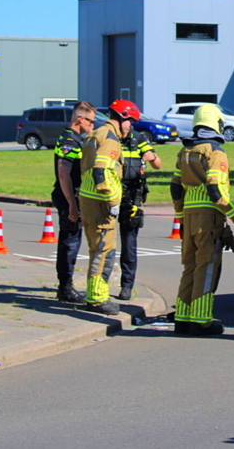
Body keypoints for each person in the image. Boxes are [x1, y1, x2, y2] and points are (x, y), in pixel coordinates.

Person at [170, 103, 234, 336]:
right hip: (208, 217)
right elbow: (215, 189)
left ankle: (182, 319)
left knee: (190, 268)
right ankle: (202, 321)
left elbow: (175, 188)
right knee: (207, 268)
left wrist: (181, 216)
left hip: (189, 215)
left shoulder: (185, 151)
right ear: (217, 124)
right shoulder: (214, 151)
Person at [78, 99, 139, 315]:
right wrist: (112, 201)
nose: (130, 127)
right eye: (130, 121)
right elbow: (101, 171)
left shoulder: (96, 133)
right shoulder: (110, 139)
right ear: (122, 118)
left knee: (96, 250)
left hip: (87, 200)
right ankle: (97, 299)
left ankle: (94, 295)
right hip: (101, 204)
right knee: (104, 252)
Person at [51, 101, 96, 304]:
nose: (92, 125)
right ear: (80, 119)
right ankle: (65, 288)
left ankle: (66, 286)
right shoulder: (69, 140)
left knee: (73, 241)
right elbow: (63, 173)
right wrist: (72, 204)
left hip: (76, 196)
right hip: (69, 197)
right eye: (91, 121)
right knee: (69, 242)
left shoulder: (77, 139)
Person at [115, 124, 161, 301]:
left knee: (129, 243)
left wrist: (152, 156)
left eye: (127, 121)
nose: (124, 125)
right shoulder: (110, 138)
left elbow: (157, 164)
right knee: (105, 244)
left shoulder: (139, 138)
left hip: (131, 197)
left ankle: (127, 286)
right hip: (110, 195)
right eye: (121, 121)